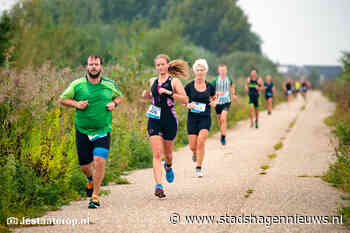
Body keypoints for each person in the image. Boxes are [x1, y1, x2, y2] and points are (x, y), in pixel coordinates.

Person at [59, 55, 123, 209]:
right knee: (85, 165)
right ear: (86, 67)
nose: (94, 67)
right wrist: (76, 104)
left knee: (100, 160)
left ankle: (95, 196)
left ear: (101, 66)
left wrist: (114, 103)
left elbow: (119, 97)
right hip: (82, 129)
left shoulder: (109, 84)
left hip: (102, 129)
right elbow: (62, 99)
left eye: (96, 64)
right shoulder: (77, 84)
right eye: (91, 64)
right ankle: (89, 178)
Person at [142, 54, 189, 198]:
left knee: (168, 155)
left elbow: (185, 99)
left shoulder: (174, 82)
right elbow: (153, 95)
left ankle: (168, 166)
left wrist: (169, 92)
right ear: (155, 67)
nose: (160, 67)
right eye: (158, 65)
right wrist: (147, 95)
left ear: (168, 65)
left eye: (163, 64)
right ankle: (159, 186)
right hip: (154, 117)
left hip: (169, 119)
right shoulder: (152, 81)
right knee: (157, 153)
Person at [185, 59, 217, 177]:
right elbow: (183, 99)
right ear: (194, 71)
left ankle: (198, 167)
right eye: (197, 70)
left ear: (205, 71)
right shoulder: (188, 86)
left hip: (205, 117)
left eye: (201, 70)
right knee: (193, 146)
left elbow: (214, 98)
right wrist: (187, 104)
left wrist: (214, 102)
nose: (199, 72)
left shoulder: (210, 86)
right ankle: (194, 153)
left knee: (201, 141)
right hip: (192, 118)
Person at [211, 64, 236, 145]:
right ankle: (222, 132)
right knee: (220, 120)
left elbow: (232, 86)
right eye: (221, 70)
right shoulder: (215, 80)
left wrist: (233, 94)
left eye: (224, 70)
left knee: (223, 118)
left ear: (226, 71)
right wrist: (217, 93)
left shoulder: (229, 79)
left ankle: (223, 137)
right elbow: (210, 90)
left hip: (226, 102)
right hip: (217, 102)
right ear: (218, 71)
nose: (222, 72)